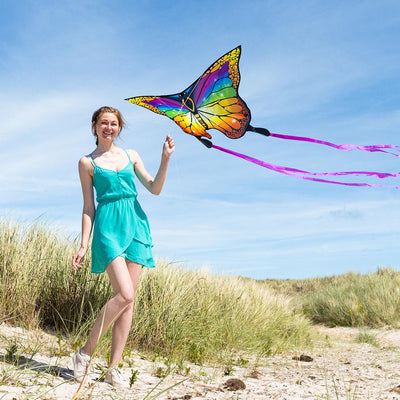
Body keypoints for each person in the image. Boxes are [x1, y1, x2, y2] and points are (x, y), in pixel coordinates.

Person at [72, 106, 175, 388]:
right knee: (125, 294)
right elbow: (87, 206)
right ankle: (84, 354)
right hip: (108, 228)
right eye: (103, 123)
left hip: (137, 224)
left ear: (119, 128)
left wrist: (165, 160)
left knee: (128, 302)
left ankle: (113, 368)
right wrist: (84, 243)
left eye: (114, 123)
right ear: (94, 126)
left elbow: (154, 188)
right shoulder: (87, 163)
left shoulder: (132, 156)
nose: (109, 127)